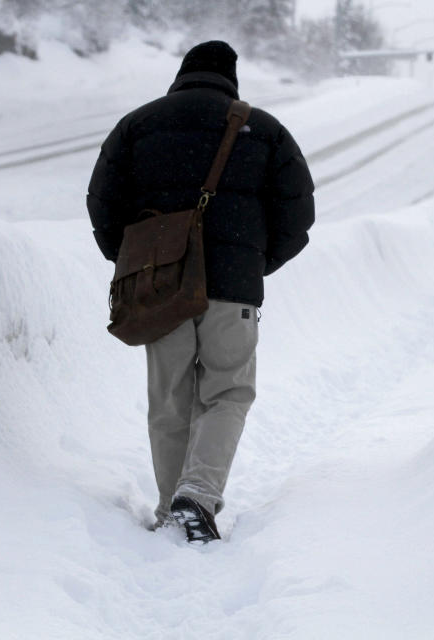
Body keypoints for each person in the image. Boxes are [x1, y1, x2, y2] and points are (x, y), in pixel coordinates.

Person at [86, 40, 315, 543]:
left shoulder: (137, 125)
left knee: (169, 399)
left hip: (160, 287)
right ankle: (199, 494)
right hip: (232, 291)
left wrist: (135, 266)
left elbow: (102, 205)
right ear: (231, 78)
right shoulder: (264, 130)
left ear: (181, 74)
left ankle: (173, 509)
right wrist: (253, 264)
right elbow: (298, 219)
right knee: (228, 392)